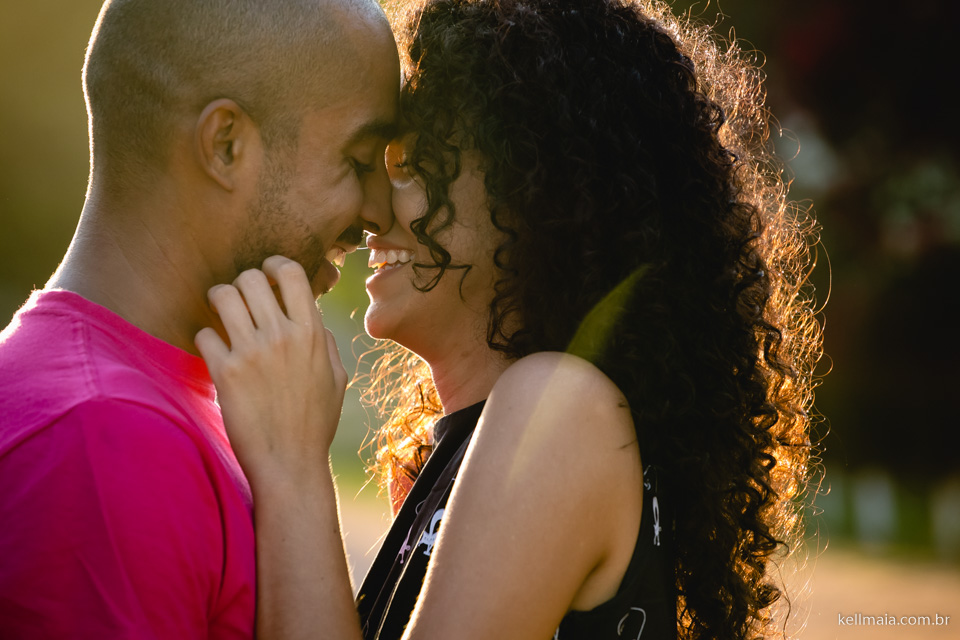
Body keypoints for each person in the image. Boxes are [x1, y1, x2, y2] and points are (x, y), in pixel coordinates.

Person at [199, 0, 822, 638]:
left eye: (413, 166)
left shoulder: (560, 409)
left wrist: (296, 464)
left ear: (535, 193)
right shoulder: (462, 456)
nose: (369, 212)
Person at [0, 0, 399, 637]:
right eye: (357, 160)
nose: (381, 210)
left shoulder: (157, 405)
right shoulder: (105, 440)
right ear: (225, 144)